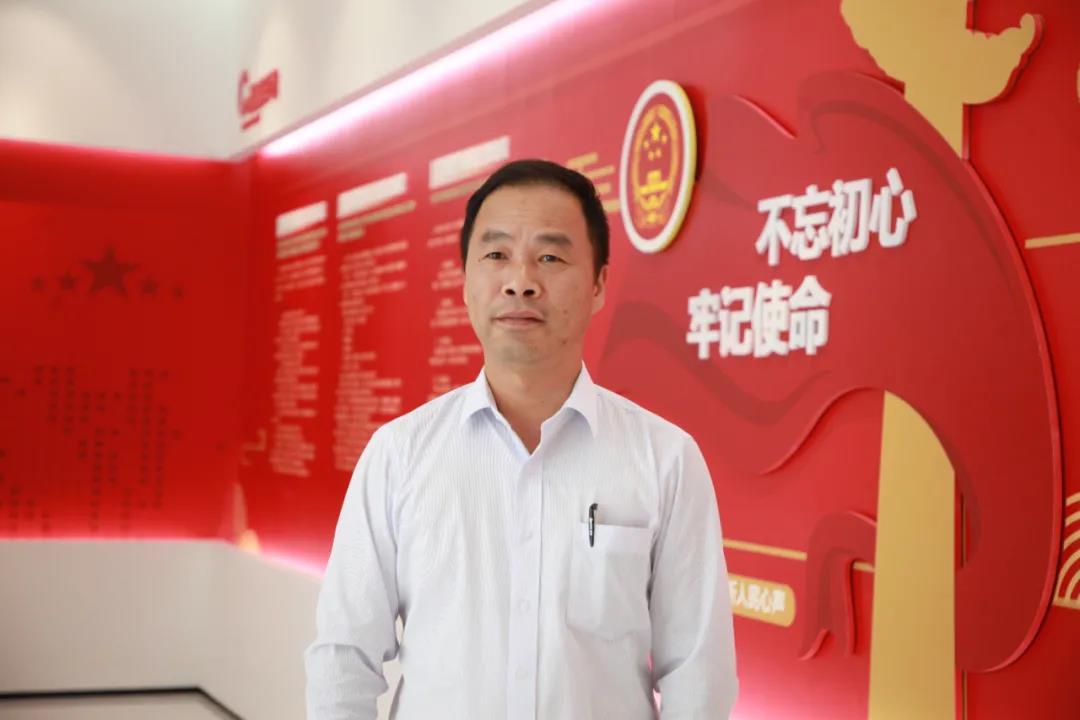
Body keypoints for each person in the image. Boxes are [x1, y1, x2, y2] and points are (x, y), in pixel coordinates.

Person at [305, 159, 738, 719]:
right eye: (496, 255)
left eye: (550, 257)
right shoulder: (399, 454)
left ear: (599, 283)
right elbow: (344, 657)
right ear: (466, 282)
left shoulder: (665, 459)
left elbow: (697, 674)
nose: (521, 281)